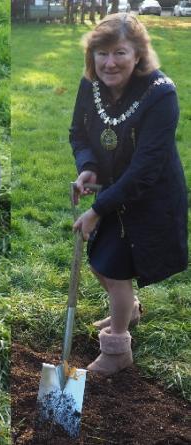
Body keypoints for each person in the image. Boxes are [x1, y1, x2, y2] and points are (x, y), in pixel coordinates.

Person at [70, 13, 187, 376]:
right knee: (98, 261)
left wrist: (97, 209)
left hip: (150, 196)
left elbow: (146, 169)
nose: (109, 63)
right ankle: (128, 310)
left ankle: (118, 348)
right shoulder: (90, 85)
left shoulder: (161, 94)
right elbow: (78, 133)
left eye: (120, 52)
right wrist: (88, 165)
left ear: (138, 54)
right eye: (101, 53)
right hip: (113, 189)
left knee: (117, 270)